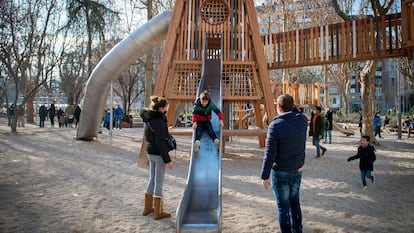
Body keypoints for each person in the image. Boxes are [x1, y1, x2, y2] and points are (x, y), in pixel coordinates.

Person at [260, 94, 308, 233]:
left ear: (278, 107)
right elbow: (297, 113)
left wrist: (265, 176)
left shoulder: (275, 125)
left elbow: (269, 154)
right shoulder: (302, 120)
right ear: (293, 106)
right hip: (297, 170)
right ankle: (297, 230)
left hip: (280, 171)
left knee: (283, 208)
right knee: (295, 204)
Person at [140, 96, 174, 220]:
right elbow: (160, 142)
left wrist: (164, 130)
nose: (166, 109)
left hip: (150, 152)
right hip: (159, 154)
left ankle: (148, 208)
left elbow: (153, 137)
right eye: (166, 107)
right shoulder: (159, 121)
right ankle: (158, 212)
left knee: (152, 178)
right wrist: (168, 160)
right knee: (159, 181)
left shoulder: (148, 118)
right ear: (160, 108)